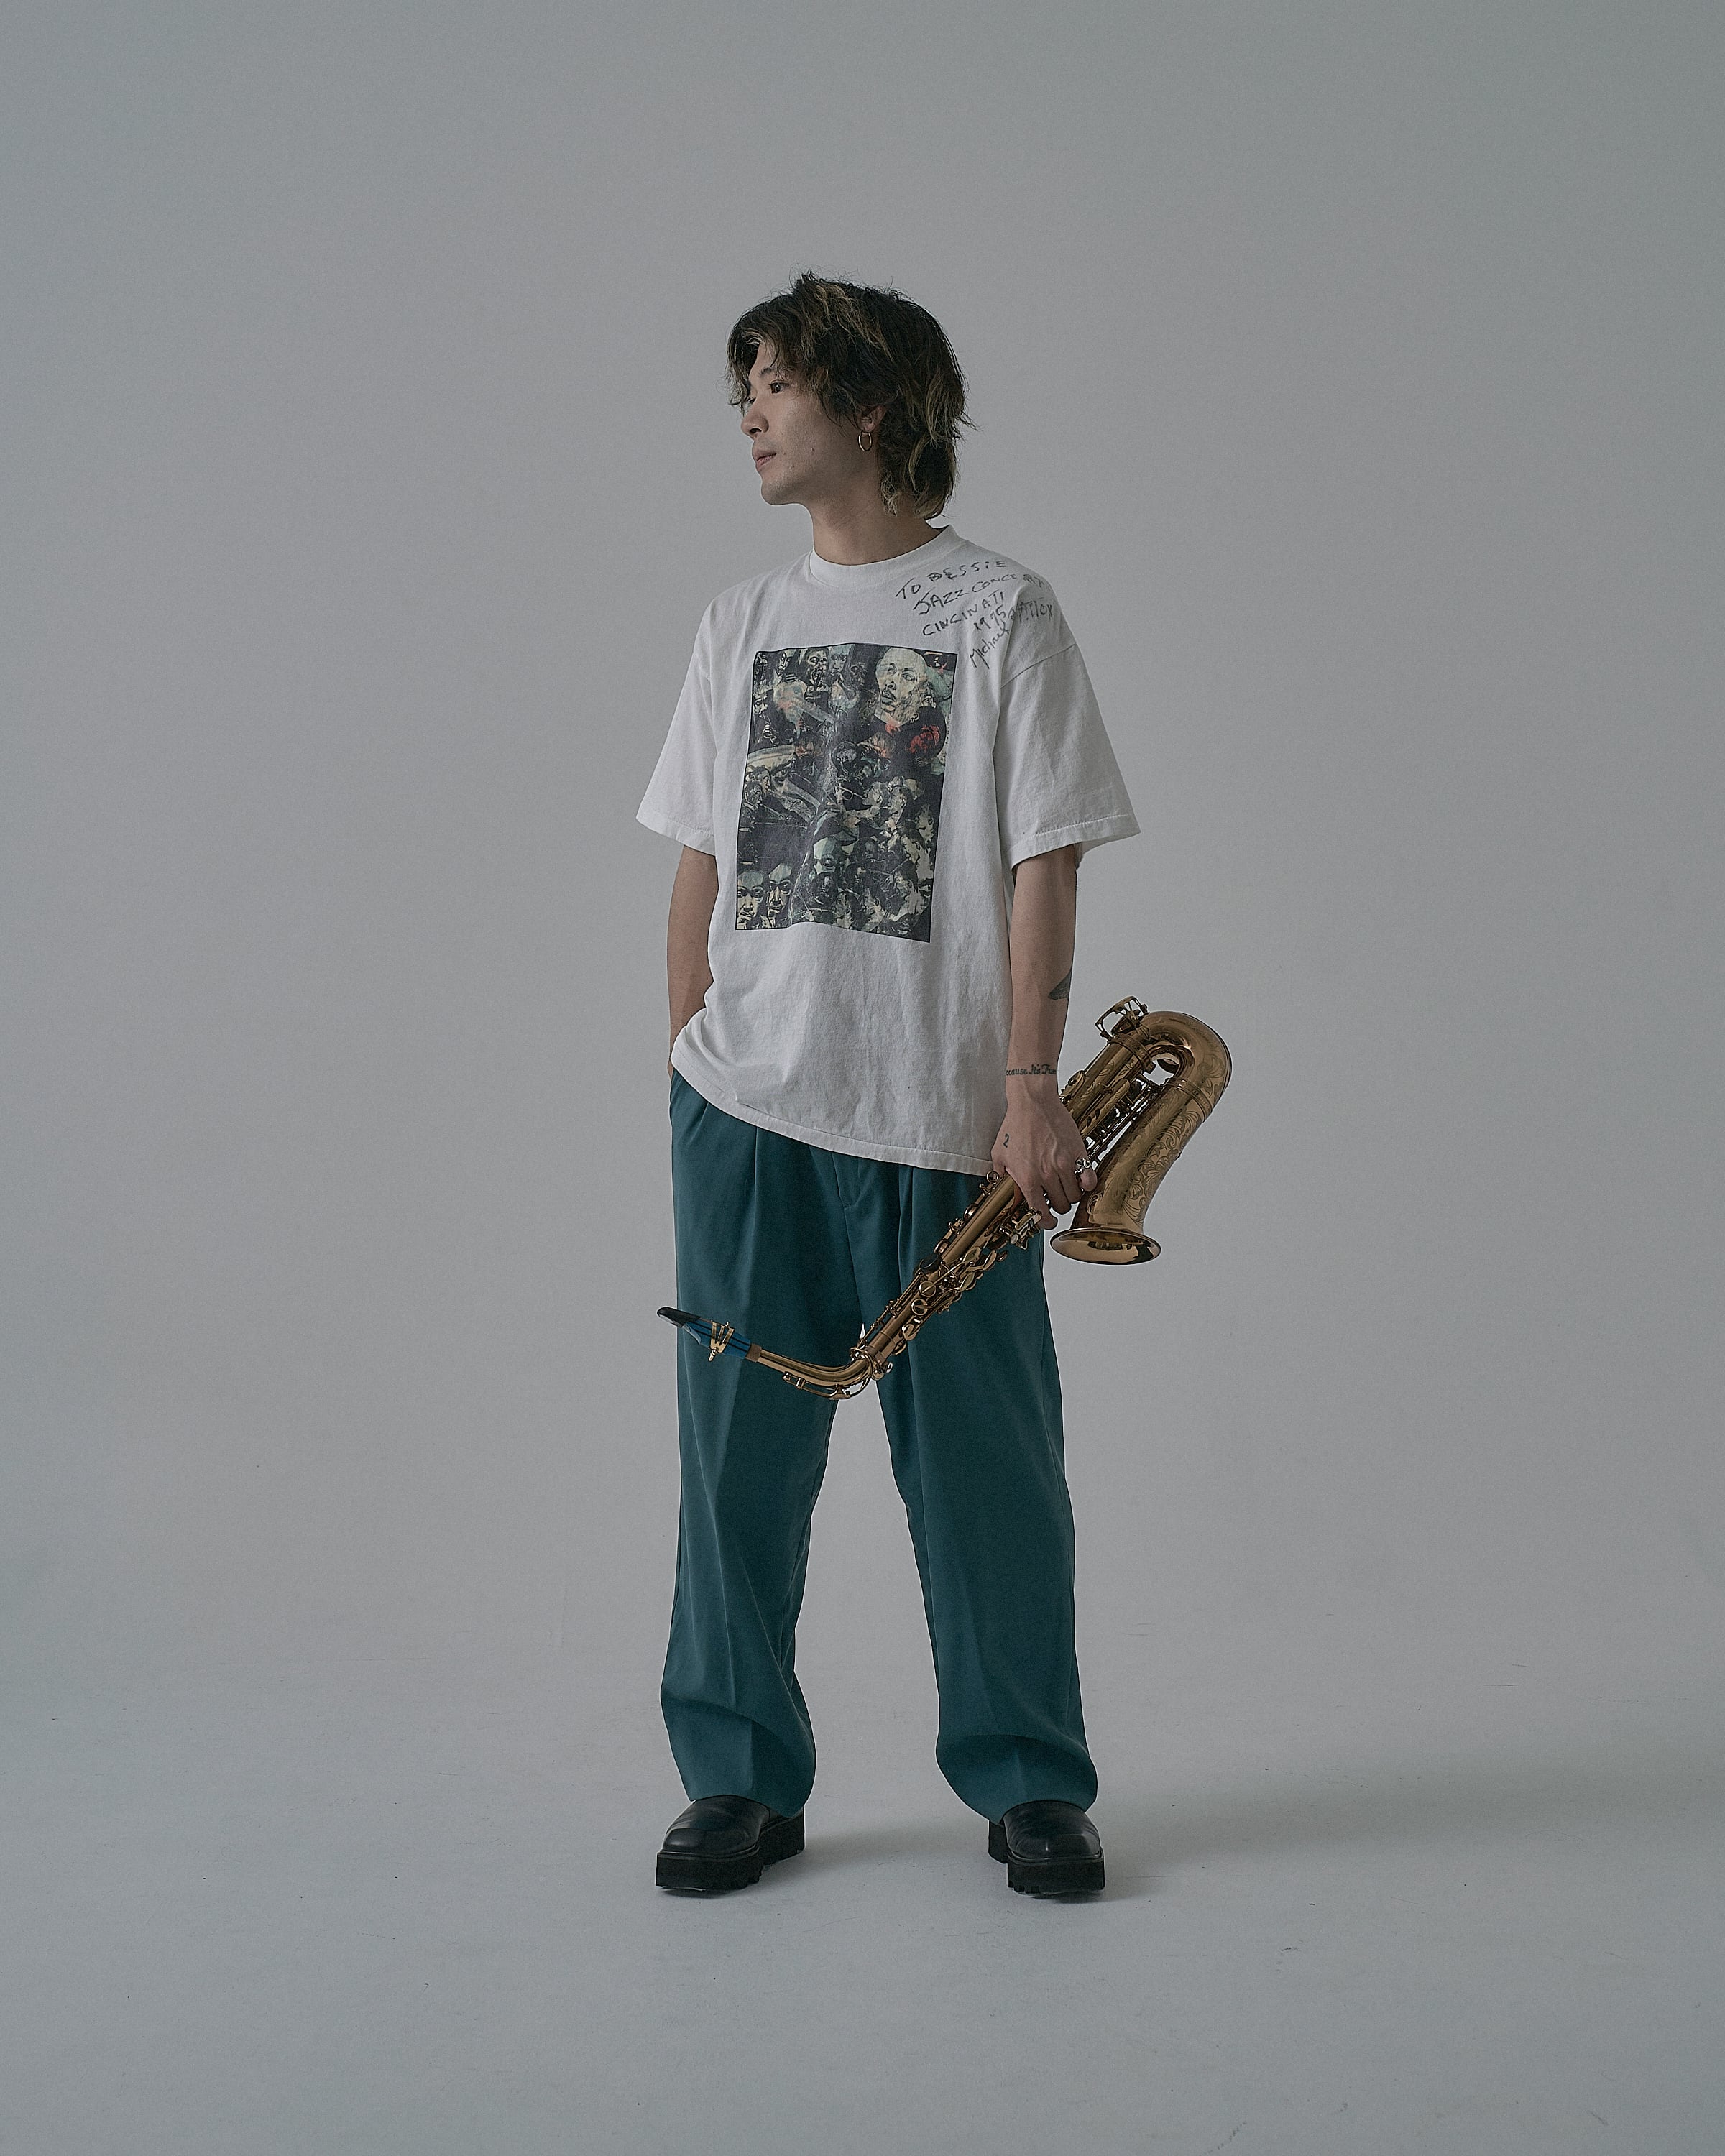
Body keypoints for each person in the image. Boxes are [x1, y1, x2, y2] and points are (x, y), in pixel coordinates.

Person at [637, 273, 1138, 1897]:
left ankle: (1028, 1778)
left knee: (988, 1470)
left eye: (776, 383)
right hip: (747, 1109)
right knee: (736, 1466)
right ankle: (737, 1777)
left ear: (870, 402)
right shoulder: (740, 623)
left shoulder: (1000, 614)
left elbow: (1046, 857)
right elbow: (698, 860)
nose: (749, 413)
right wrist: (689, 1059)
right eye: (744, 387)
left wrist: (1031, 1082)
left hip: (943, 1117)